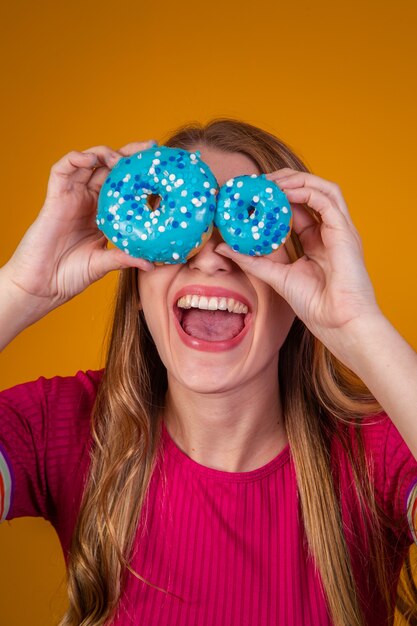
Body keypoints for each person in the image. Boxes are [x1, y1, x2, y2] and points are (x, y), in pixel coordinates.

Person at [0, 118, 416, 626]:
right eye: (178, 227)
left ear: (301, 286)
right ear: (136, 288)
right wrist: (21, 291)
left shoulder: (381, 452)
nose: (210, 258)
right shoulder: (60, 427)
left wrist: (358, 324)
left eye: (244, 228)